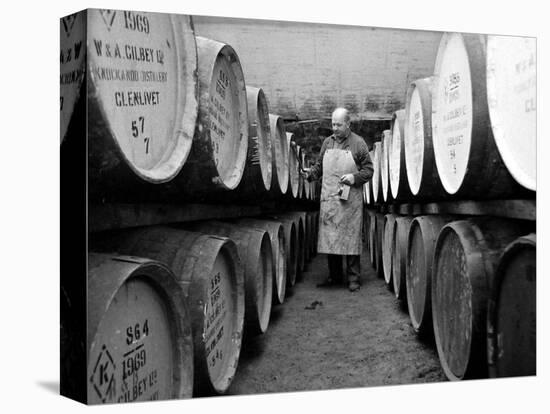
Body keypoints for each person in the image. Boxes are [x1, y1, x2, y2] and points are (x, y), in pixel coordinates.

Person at [303, 108, 373, 292]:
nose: (334, 128)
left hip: (350, 199)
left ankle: (353, 279)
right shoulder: (327, 142)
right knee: (331, 238)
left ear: (348, 124)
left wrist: (354, 177)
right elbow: (319, 166)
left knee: (350, 237)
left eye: (338, 124)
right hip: (330, 198)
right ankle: (334, 276)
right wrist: (310, 175)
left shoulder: (358, 143)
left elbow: (369, 170)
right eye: (333, 124)